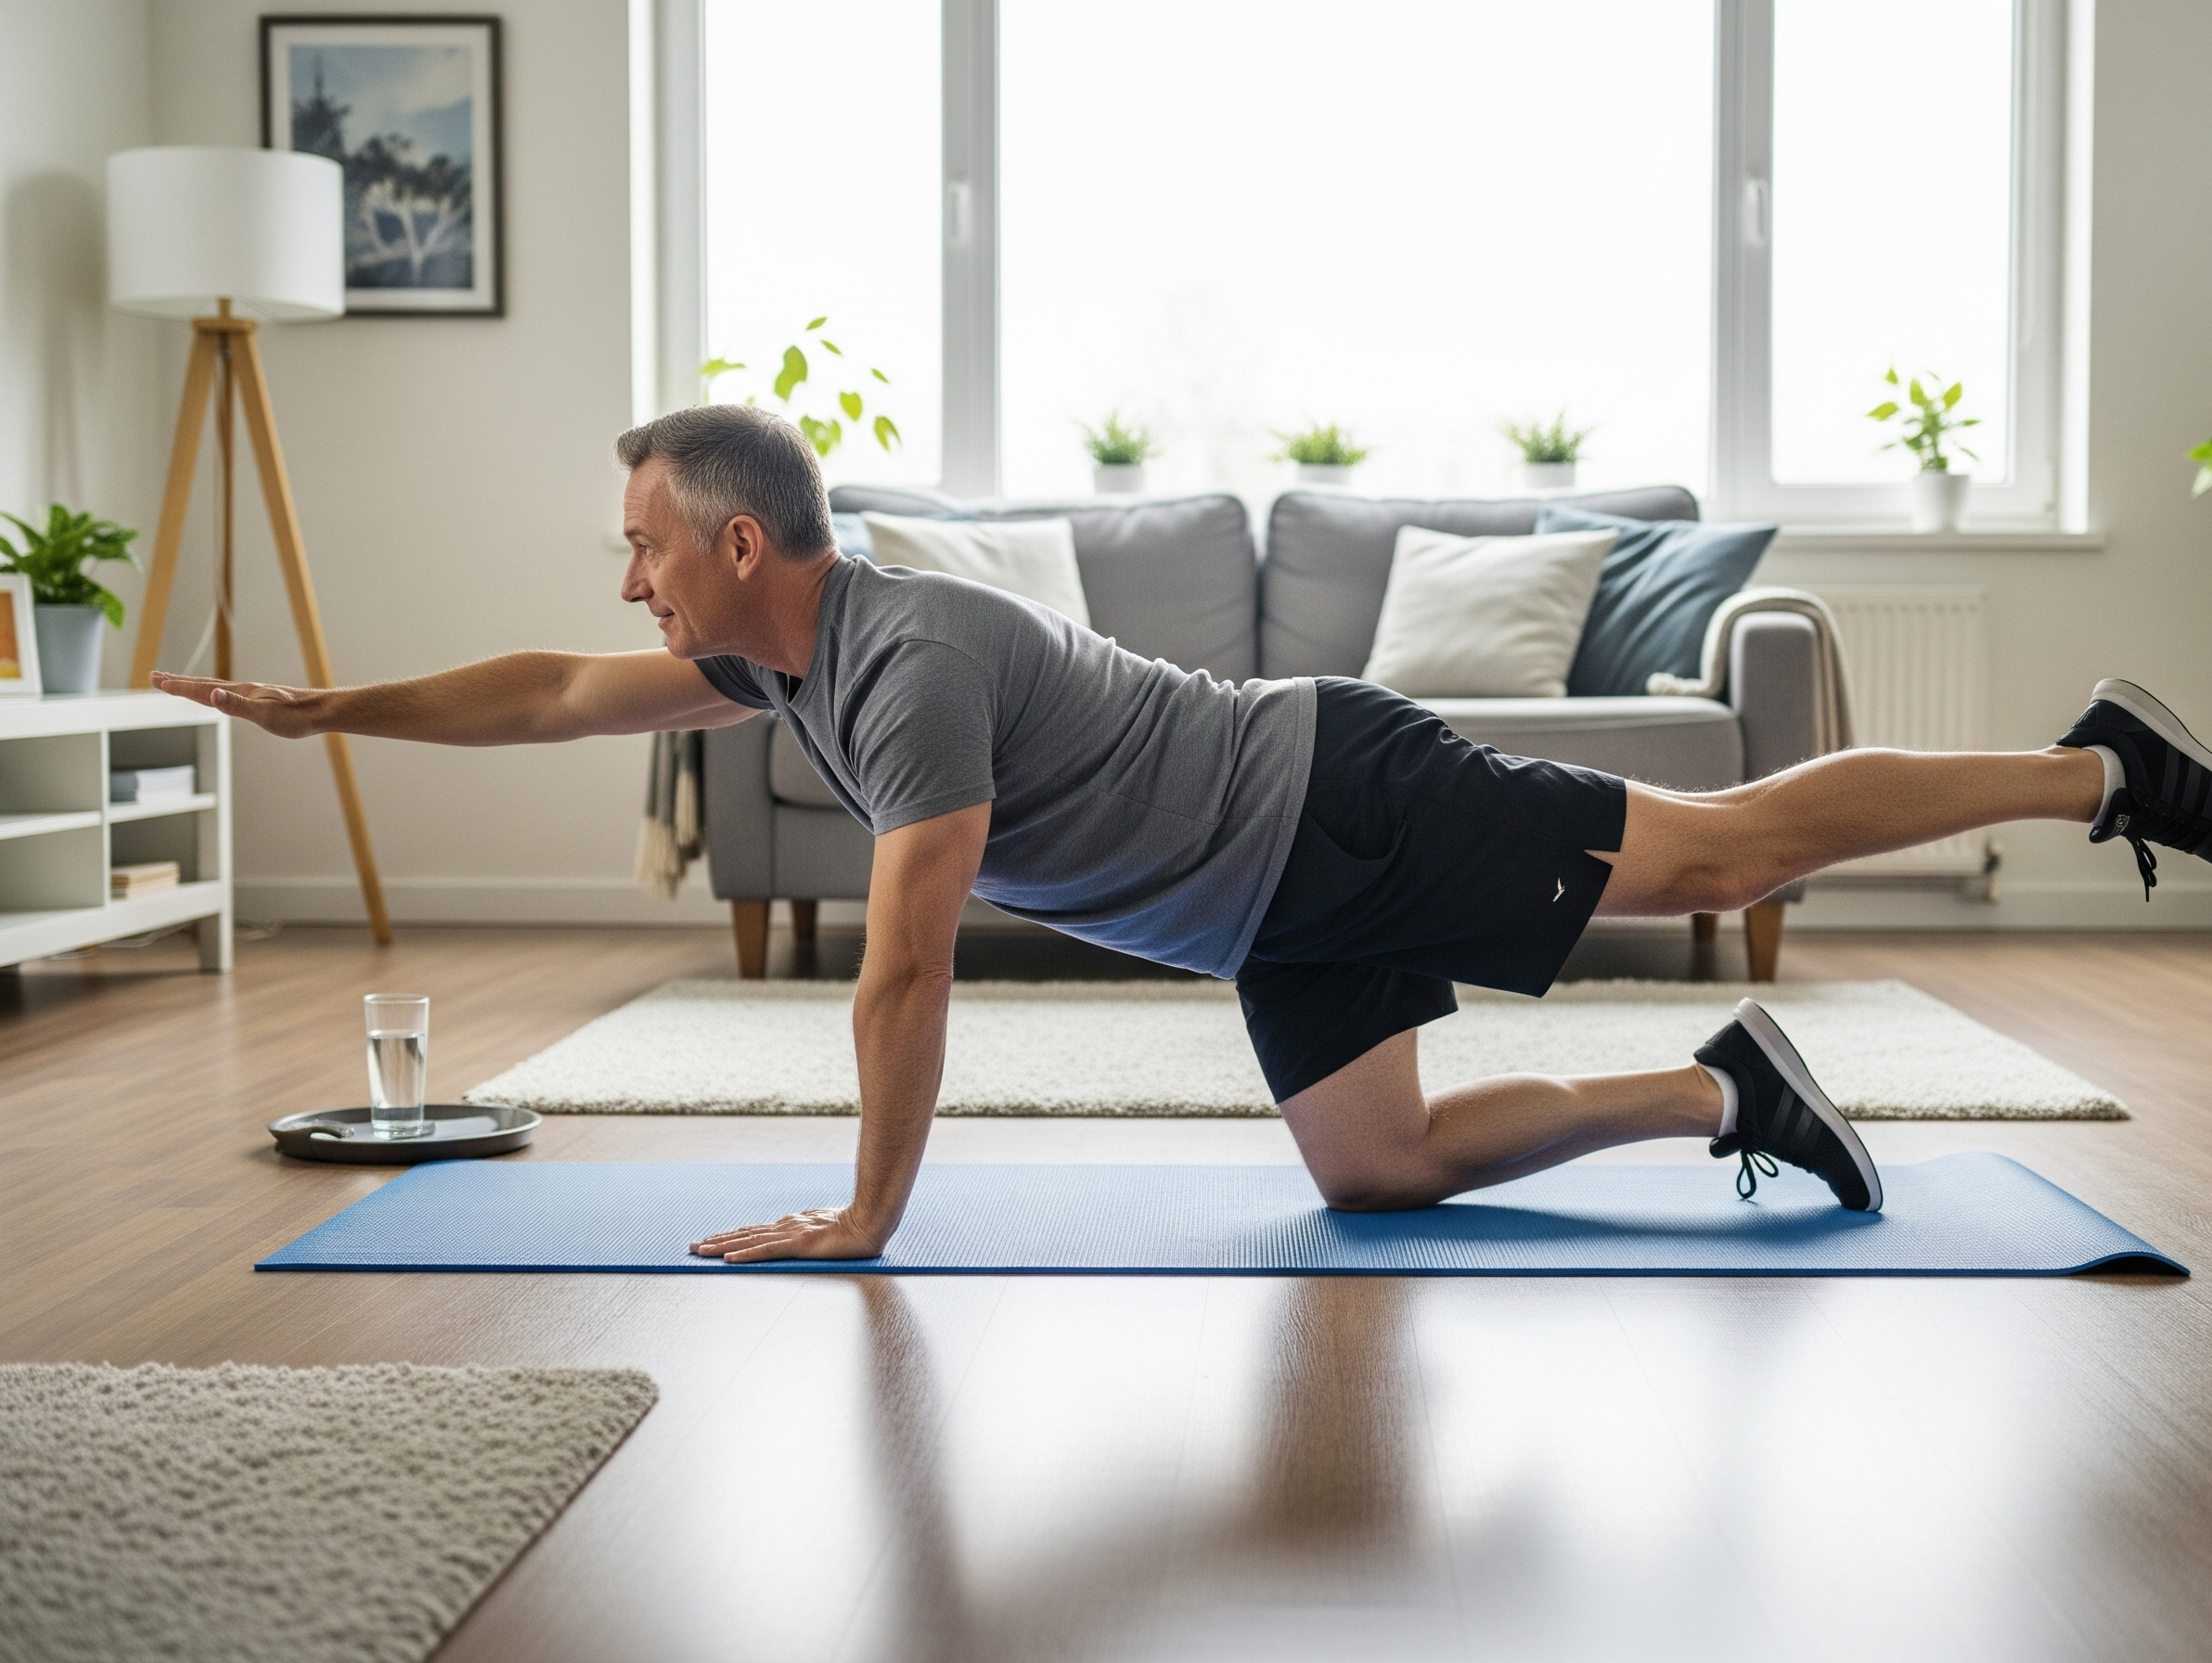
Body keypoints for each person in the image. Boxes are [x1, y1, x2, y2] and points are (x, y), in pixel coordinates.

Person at [153, 406, 2212, 1260]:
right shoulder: (773, 663)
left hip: (1343, 797)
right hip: (1267, 899)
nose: (630, 591)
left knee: (1735, 848)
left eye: (641, 551)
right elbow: (543, 691)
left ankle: (2103, 765)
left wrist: (869, 1211)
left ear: (743, 540)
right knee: (1380, 1171)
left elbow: (901, 961)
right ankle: (1720, 1084)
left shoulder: (911, 661)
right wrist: (327, 703)